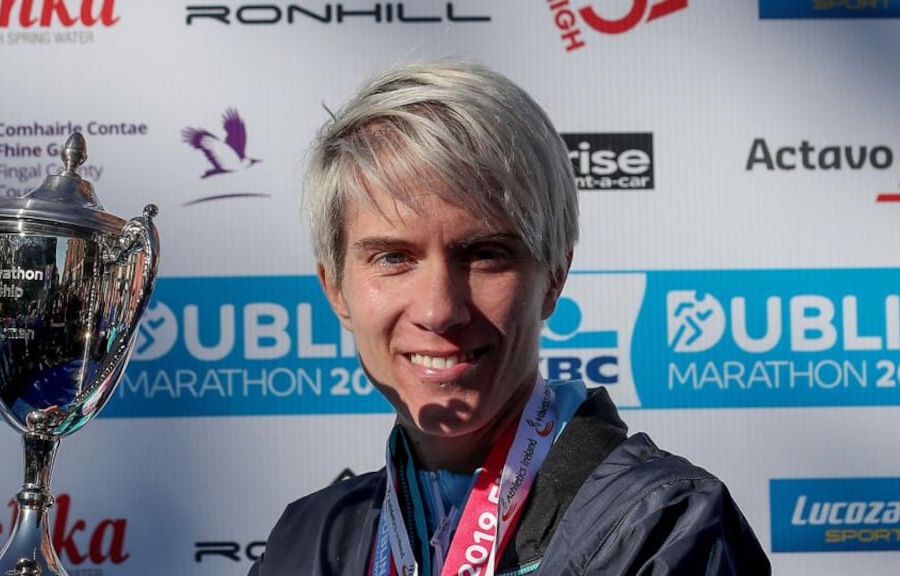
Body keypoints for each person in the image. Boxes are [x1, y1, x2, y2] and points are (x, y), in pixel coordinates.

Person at [248, 59, 771, 575]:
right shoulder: (308, 539)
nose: (438, 309)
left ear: (554, 277)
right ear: (336, 289)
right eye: (393, 258)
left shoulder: (663, 526)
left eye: (484, 255)